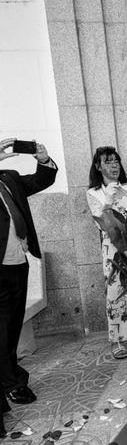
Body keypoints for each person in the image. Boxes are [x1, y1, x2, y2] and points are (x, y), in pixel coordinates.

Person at [0, 138, 57, 408]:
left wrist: (44, 160)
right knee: (3, 328)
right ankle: (13, 384)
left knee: (11, 325)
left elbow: (39, 182)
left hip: (17, 262)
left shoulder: (8, 178)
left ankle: (9, 376)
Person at [86, 147, 127, 360]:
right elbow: (101, 220)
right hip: (111, 243)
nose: (114, 165)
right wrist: (109, 199)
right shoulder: (93, 192)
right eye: (108, 162)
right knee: (115, 289)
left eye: (116, 160)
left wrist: (122, 195)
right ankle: (117, 339)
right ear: (98, 166)